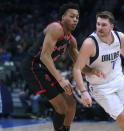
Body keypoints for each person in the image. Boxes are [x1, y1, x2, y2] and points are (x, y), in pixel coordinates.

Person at [21, 3, 99, 131]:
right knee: (62, 107)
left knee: (71, 104)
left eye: (77, 17)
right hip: (33, 66)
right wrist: (61, 79)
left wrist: (93, 71)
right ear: (63, 17)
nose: (75, 19)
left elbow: (80, 64)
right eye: (72, 16)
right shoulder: (55, 28)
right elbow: (44, 56)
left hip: (45, 68)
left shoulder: (71, 40)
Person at [73, 11, 124, 131]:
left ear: (111, 26)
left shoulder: (119, 37)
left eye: (104, 25)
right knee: (122, 119)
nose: (100, 27)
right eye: (98, 24)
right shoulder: (90, 43)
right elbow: (76, 69)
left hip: (119, 79)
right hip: (100, 87)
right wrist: (83, 92)